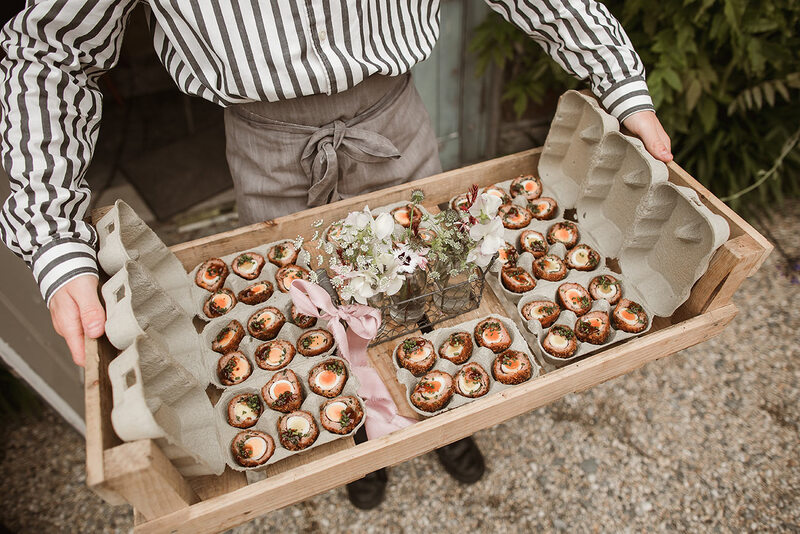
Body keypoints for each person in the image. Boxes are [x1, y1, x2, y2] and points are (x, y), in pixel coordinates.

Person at [0, 0, 672, 510]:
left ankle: (443, 412)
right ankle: (358, 440)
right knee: (307, 314)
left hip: (393, 121)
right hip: (267, 147)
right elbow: (53, 47)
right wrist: (53, 232)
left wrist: (617, 80)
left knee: (434, 292)